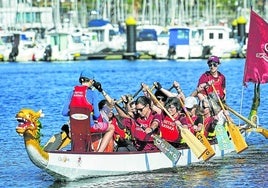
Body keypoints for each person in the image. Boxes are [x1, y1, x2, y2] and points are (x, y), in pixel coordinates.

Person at [62, 70, 114, 152]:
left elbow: (64, 113)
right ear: (91, 81)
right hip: (89, 127)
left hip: (75, 128)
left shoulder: (71, 92)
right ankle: (99, 153)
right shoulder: (93, 94)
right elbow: (96, 115)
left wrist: (75, 114)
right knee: (111, 128)